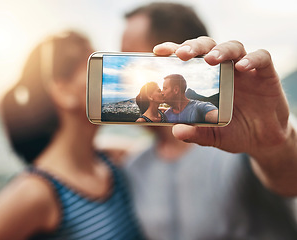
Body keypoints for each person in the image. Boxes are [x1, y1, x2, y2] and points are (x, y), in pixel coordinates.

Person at [121, 2, 297, 240]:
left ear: (178, 57)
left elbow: (290, 181)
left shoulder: (242, 147)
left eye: (130, 56)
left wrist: (276, 144)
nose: (123, 73)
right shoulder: (134, 166)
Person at [0, 31, 144, 240]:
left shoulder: (113, 159)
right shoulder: (35, 192)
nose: (115, 77)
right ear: (63, 91)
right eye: (97, 68)